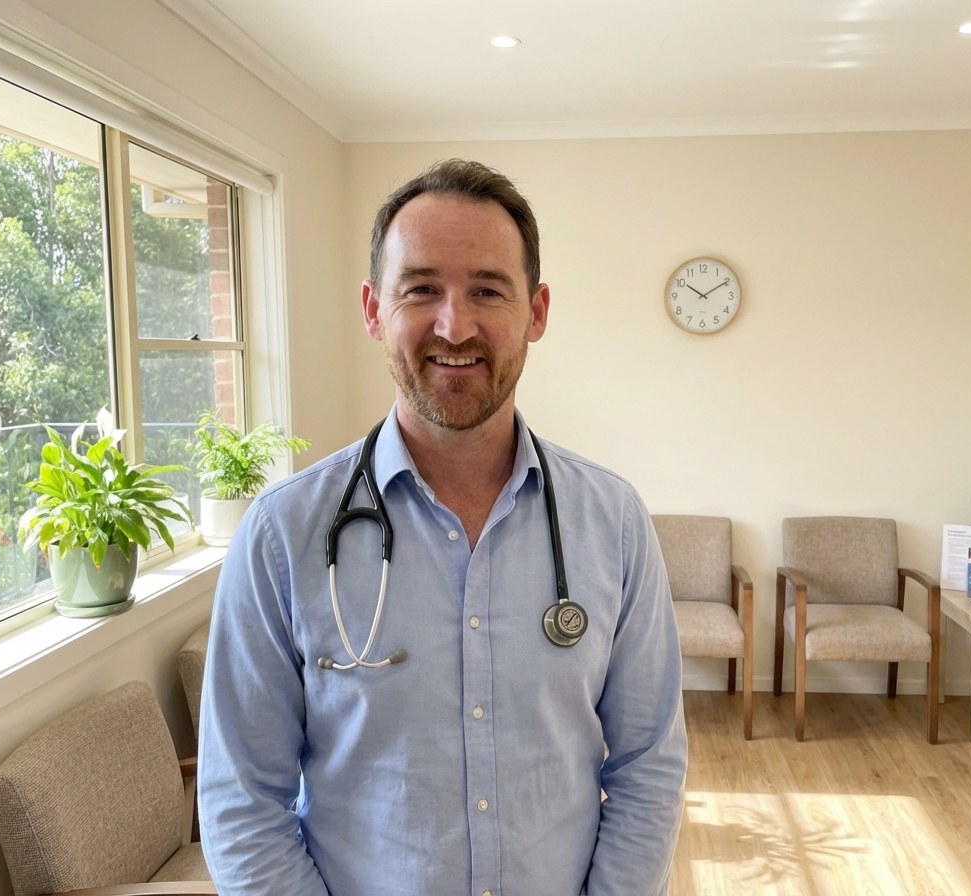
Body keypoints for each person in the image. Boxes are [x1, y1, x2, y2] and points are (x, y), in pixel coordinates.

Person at [198, 159, 688, 896]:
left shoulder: (613, 523)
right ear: (373, 310)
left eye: (488, 290)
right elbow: (241, 802)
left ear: (537, 312)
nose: (454, 326)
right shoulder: (282, 536)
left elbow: (649, 766)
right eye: (421, 289)